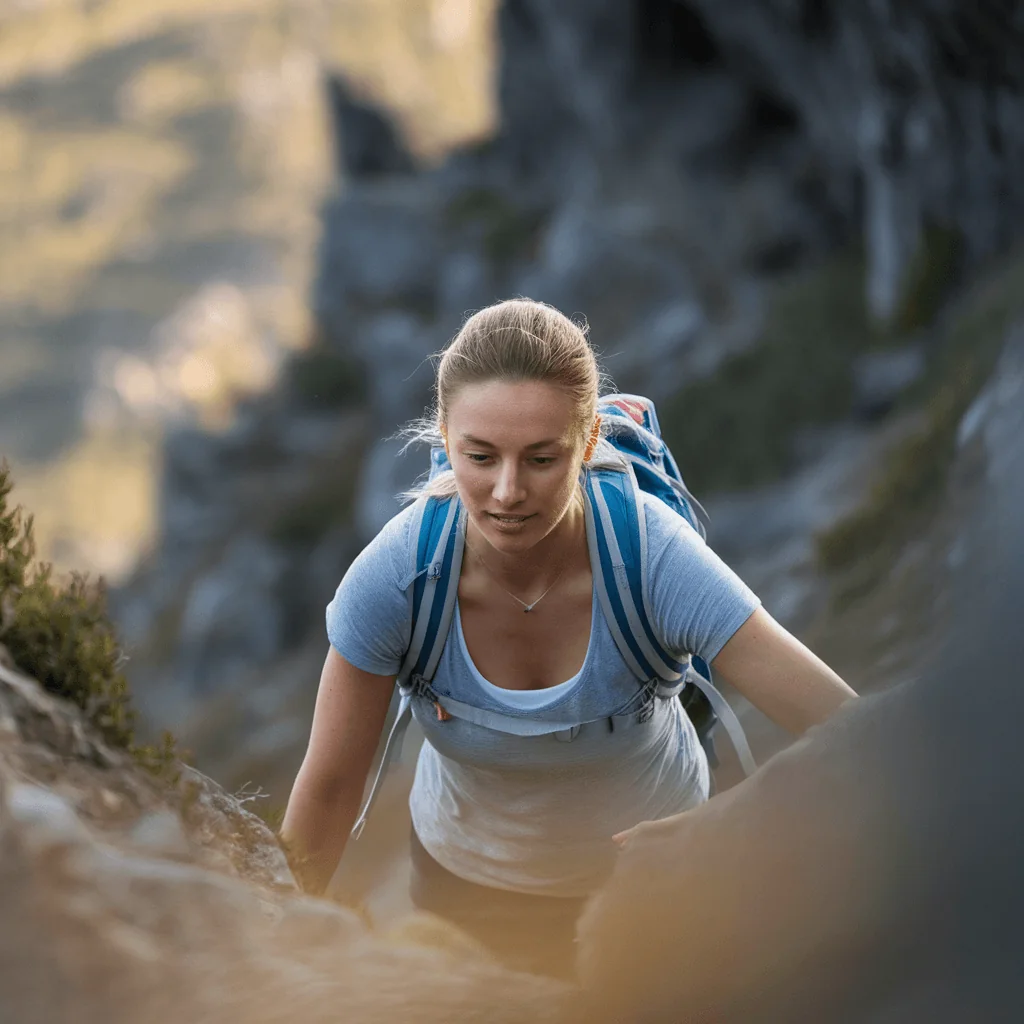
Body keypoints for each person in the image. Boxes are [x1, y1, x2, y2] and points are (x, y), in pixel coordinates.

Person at [279, 298, 857, 978]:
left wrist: (724, 829)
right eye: (480, 456)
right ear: (443, 438)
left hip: (658, 894)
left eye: (542, 458)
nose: (507, 491)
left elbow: (847, 723)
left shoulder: (653, 559)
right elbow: (329, 788)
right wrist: (280, 953)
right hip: (464, 893)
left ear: (586, 446)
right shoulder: (398, 578)